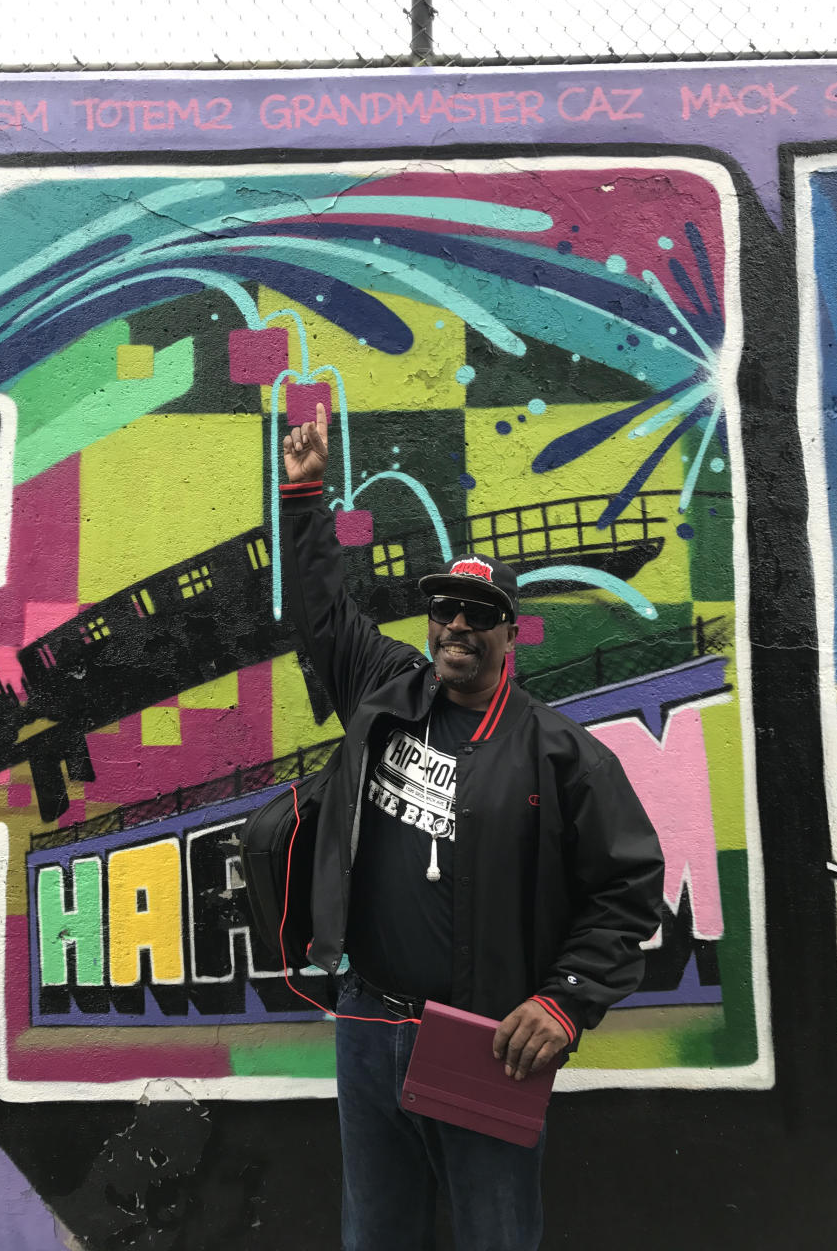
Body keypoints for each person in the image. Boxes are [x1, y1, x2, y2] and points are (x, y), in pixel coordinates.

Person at [279, 403, 664, 1251]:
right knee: (377, 1235)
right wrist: (303, 496)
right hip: (368, 1020)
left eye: (479, 612)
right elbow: (321, 612)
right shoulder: (384, 689)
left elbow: (630, 889)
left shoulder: (560, 753)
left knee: (496, 1235)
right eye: (445, 607)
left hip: (482, 1041)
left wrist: (564, 1003)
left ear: (507, 632)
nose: (458, 622)